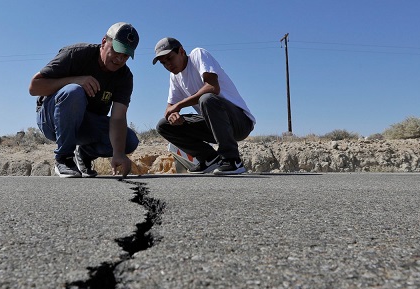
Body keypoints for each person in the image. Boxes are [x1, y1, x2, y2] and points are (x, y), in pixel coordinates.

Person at [29, 22, 140, 178]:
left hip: (86, 124)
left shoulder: (124, 77)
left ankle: (84, 154)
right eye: (117, 51)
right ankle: (64, 158)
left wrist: (118, 153)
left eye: (125, 55)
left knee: (129, 141)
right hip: (51, 119)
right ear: (104, 42)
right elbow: (34, 87)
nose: (119, 59)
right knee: (74, 92)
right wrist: (75, 80)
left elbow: (118, 117)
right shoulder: (76, 54)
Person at [152, 37, 255, 175]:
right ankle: (209, 158)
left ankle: (232, 160)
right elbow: (170, 108)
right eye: (163, 63)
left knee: (207, 99)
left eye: (170, 58)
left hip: (240, 123)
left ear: (181, 51)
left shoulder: (197, 55)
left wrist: (179, 105)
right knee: (164, 125)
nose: (168, 65)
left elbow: (212, 87)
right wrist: (172, 115)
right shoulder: (175, 76)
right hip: (215, 126)